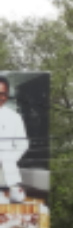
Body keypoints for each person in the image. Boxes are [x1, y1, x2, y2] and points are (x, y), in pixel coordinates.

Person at [0, 76, 29, 204]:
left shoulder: (14, 117)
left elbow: (23, 144)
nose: (1, 97)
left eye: (3, 94)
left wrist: (7, 159)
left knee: (17, 208)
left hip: (9, 175)